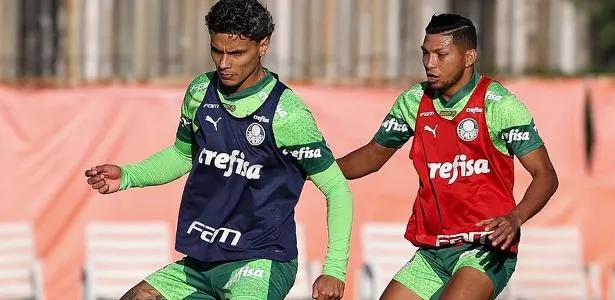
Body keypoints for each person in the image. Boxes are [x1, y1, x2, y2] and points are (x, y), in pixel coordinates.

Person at [84, 1, 352, 299]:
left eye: (236, 53)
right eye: (216, 50)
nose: (224, 63)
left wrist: (334, 269)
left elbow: (337, 189)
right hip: (201, 262)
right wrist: (128, 176)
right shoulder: (200, 92)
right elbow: (183, 155)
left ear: (263, 46)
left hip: (259, 261)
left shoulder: (288, 114)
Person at [337, 13, 558, 300]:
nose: (430, 64)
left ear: (469, 57)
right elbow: (371, 157)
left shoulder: (500, 105)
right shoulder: (414, 101)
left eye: (441, 55)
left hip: (485, 247)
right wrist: (309, 167)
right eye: (425, 54)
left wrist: (515, 218)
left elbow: (546, 176)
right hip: (433, 252)